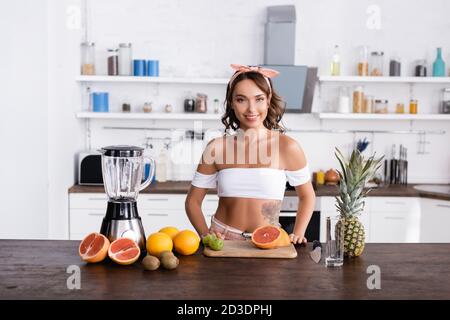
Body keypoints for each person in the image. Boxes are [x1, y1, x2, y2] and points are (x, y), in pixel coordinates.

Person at [185, 64, 316, 244]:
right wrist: (206, 235)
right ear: (231, 102)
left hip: (269, 239)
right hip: (223, 239)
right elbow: (192, 202)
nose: (251, 109)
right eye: (241, 100)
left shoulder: (288, 147)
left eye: (259, 99)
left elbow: (307, 195)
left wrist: (298, 233)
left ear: (268, 100)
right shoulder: (216, 148)